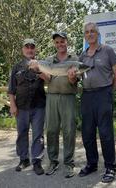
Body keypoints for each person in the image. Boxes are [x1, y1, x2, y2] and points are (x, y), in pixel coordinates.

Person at [31, 32, 78, 178]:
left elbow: (74, 82)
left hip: (68, 97)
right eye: (57, 42)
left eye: (62, 41)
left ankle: (69, 163)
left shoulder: (74, 59)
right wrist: (39, 70)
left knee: (69, 131)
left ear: (67, 42)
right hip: (51, 97)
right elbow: (48, 79)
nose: (60, 44)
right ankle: (53, 161)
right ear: (54, 44)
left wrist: (72, 77)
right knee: (51, 130)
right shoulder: (49, 60)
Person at [78, 22, 116, 183]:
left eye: (93, 31)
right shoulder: (82, 56)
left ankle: (110, 167)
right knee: (87, 133)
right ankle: (92, 163)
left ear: (98, 34)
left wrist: (110, 91)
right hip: (87, 96)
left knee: (105, 133)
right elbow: (77, 77)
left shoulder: (107, 50)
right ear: (85, 36)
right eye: (87, 32)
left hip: (104, 94)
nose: (90, 34)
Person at [8, 38, 46, 175]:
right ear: (23, 50)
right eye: (27, 47)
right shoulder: (16, 67)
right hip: (21, 107)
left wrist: (38, 70)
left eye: (32, 47)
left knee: (38, 135)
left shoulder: (42, 64)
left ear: (35, 50)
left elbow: (49, 79)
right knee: (22, 134)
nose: (30, 50)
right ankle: (24, 160)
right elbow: (11, 89)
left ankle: (37, 161)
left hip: (39, 106)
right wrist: (12, 105)